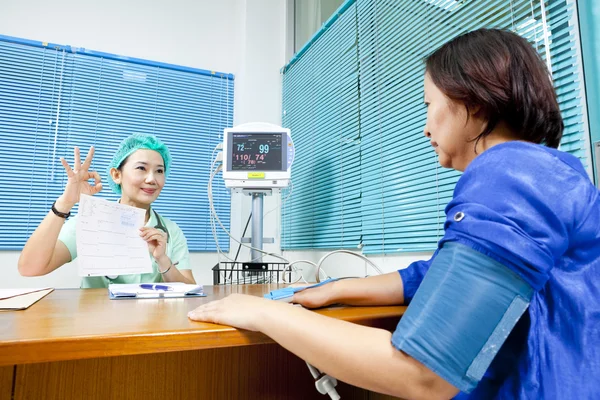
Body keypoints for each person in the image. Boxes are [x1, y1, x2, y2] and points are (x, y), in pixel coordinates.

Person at [187, 28, 599, 399]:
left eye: (428, 104)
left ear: (472, 103)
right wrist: (336, 288)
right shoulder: (551, 173)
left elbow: (423, 374)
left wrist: (263, 312)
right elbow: (437, 275)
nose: (424, 127)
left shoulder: (508, 173)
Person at [18, 133, 196, 287]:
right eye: (141, 168)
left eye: (159, 171)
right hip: (95, 322)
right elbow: (30, 268)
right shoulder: (91, 220)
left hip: (152, 323)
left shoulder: (171, 231)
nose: (152, 179)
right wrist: (65, 203)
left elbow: (190, 290)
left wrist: (162, 260)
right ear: (117, 175)